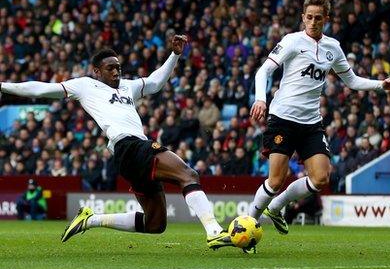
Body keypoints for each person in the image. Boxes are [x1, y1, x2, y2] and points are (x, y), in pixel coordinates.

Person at [1, 35, 231, 249]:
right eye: (110, 68)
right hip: (129, 146)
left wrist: (174, 55)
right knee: (188, 175)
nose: (116, 72)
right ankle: (214, 231)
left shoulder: (127, 86)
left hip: (129, 155)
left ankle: (91, 219)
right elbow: (42, 89)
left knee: (155, 224)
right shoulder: (84, 85)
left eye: (118, 67)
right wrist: (4, 86)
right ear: (97, 71)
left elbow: (155, 83)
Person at [247, 0, 390, 234]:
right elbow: (263, 71)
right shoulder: (292, 41)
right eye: (309, 17)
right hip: (282, 118)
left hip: (311, 123)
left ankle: (276, 207)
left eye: (318, 18)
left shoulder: (332, 47)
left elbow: (351, 81)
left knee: (320, 178)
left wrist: (380, 85)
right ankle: (245, 223)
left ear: (326, 19)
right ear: (303, 18)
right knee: (275, 181)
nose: (313, 22)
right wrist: (260, 99)